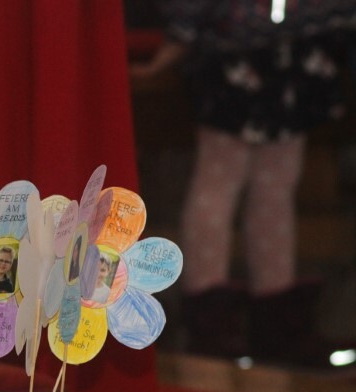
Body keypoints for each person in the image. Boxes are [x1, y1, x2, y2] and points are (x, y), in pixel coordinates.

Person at [130, 1, 353, 366]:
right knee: (222, 181)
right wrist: (178, 40)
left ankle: (274, 311)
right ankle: (211, 316)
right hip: (236, 51)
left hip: (298, 51)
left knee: (275, 187)